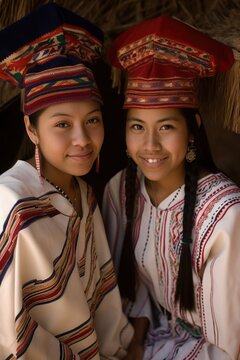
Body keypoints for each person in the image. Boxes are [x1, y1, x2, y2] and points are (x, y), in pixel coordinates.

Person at [102, 15, 240, 359]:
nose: (149, 145)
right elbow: (130, 285)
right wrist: (135, 344)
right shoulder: (121, 190)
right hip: (158, 337)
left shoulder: (224, 213)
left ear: (192, 127)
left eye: (165, 127)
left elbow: (232, 340)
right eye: (137, 126)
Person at [0, 3, 133, 359]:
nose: (83, 139)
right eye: (62, 124)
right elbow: (13, 338)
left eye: (92, 120)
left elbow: (101, 300)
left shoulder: (83, 193)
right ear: (31, 128)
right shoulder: (12, 202)